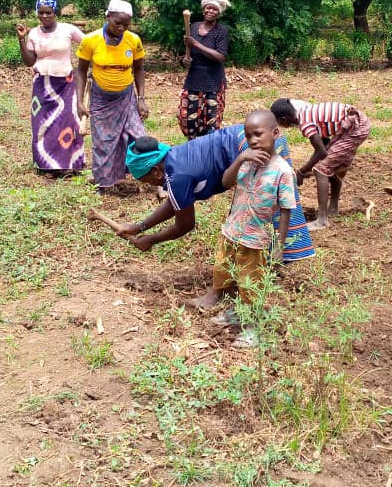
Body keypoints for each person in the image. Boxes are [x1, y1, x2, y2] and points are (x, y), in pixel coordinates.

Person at [118, 125, 315, 264]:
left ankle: (258, 269)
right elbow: (178, 203)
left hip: (250, 147)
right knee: (280, 204)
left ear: (155, 171)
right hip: (260, 135)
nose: (152, 185)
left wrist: (151, 240)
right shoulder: (174, 158)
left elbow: (185, 225)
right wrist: (140, 226)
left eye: (146, 181)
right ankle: (283, 257)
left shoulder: (177, 177)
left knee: (246, 221)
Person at [188, 110, 295, 348]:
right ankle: (236, 312)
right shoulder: (246, 162)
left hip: (254, 240)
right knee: (227, 274)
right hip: (231, 232)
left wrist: (280, 245)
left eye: (258, 134)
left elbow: (287, 210)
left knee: (251, 284)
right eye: (248, 136)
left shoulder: (283, 171)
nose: (253, 140)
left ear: (275, 133)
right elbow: (226, 182)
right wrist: (240, 159)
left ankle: (252, 330)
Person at [74, 0, 149, 190]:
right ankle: (103, 183)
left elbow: (139, 70)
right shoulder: (91, 40)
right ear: (108, 17)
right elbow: (81, 71)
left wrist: (141, 99)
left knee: (139, 136)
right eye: (118, 23)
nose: (122, 28)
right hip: (101, 99)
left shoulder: (133, 40)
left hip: (127, 98)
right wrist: (80, 101)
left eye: (126, 24)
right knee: (103, 141)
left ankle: (150, 175)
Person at [270, 98, 372, 230]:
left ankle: (322, 220)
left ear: (283, 119)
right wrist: (309, 167)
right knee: (328, 165)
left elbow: (321, 152)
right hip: (354, 124)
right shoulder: (305, 112)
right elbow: (324, 144)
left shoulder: (305, 122)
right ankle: (333, 208)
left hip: (356, 128)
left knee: (321, 170)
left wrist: (301, 171)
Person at [15, 0, 86, 175]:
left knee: (68, 121)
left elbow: (88, 45)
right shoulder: (33, 33)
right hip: (42, 84)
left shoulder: (67, 30)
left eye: (48, 12)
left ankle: (69, 165)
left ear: (55, 12)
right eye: (41, 12)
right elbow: (29, 61)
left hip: (66, 83)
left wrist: (86, 68)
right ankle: (45, 164)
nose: (44, 16)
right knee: (42, 124)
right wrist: (21, 40)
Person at [179, 0, 231, 138]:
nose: (211, 11)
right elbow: (186, 55)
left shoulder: (221, 31)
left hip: (213, 82)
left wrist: (196, 44)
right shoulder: (193, 27)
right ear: (203, 9)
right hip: (193, 80)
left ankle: (208, 153)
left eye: (215, 9)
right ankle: (193, 150)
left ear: (218, 13)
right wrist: (184, 61)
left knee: (211, 123)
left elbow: (220, 57)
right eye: (208, 8)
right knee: (188, 121)